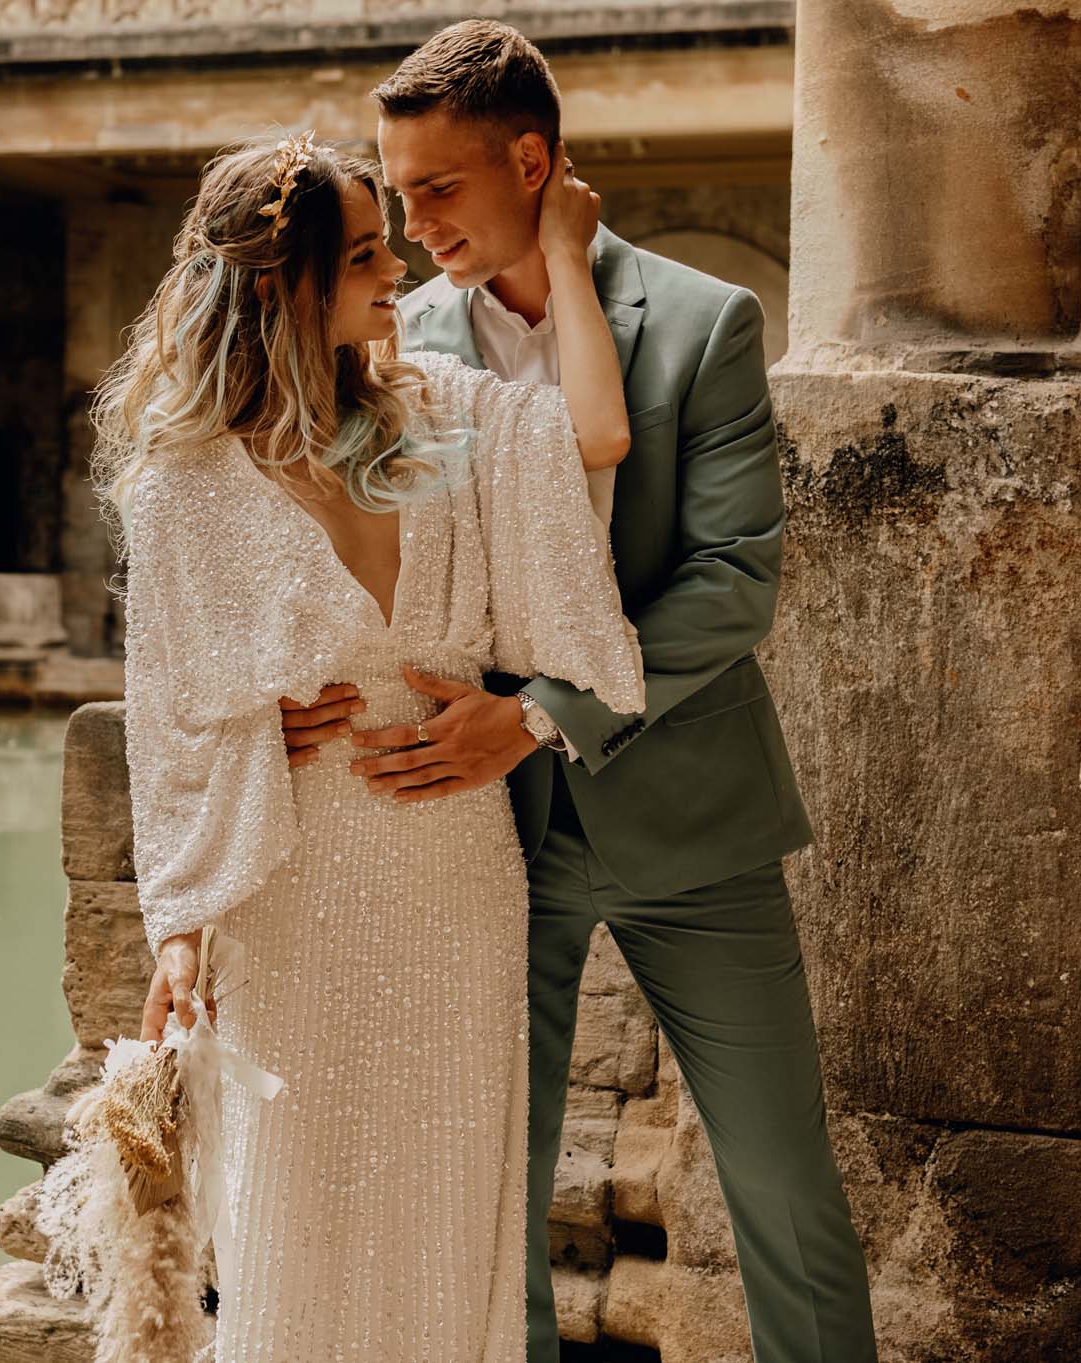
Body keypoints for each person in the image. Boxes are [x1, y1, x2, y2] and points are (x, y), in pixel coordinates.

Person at [276, 21, 881, 1363]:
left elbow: (730, 581)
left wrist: (538, 712)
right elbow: (318, 531)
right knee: (489, 1199)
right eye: (397, 194)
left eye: (438, 187)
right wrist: (269, 692)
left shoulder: (706, 321)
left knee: (784, 1189)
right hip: (476, 832)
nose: (414, 224)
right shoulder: (395, 342)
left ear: (531, 162)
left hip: (695, 825)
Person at [118, 129, 641, 1361]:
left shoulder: (438, 412)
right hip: (291, 887)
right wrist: (180, 929)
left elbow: (597, 434)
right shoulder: (183, 485)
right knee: (293, 1215)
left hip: (454, 872)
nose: (396, 265)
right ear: (279, 283)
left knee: (447, 1210)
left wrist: (566, 257)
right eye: (361, 253)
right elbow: (168, 718)